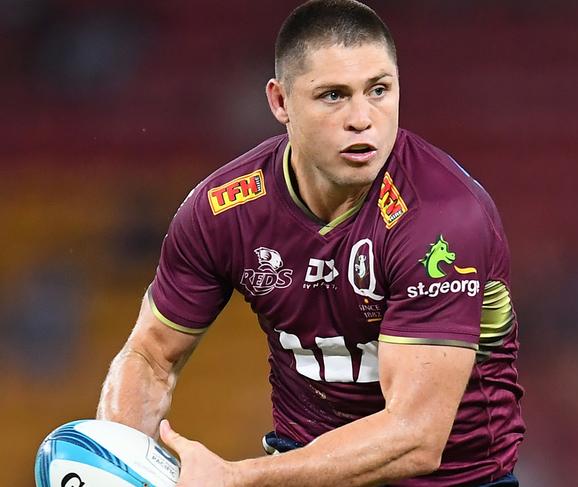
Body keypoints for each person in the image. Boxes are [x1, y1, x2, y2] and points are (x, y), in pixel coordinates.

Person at [97, 1, 525, 485]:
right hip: (298, 465)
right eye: (333, 96)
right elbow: (150, 357)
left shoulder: (442, 216)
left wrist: (238, 478)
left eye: (379, 90)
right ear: (280, 102)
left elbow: (416, 437)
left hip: (456, 481)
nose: (362, 118)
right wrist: (118, 459)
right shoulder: (221, 211)